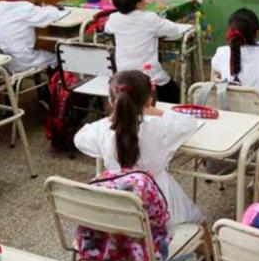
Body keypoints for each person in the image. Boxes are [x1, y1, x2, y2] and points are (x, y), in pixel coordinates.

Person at [74, 70, 205, 228]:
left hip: (118, 206)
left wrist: (114, 117)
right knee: (198, 221)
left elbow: (79, 139)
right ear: (149, 101)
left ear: (110, 102)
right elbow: (189, 123)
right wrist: (154, 110)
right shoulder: (159, 127)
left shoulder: (101, 131)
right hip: (160, 204)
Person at [104, 0, 187, 103]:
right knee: (173, 91)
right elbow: (174, 30)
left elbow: (107, 28)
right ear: (138, 4)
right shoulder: (150, 18)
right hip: (148, 74)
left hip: (123, 75)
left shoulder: (114, 18)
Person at [0, 0, 64, 73]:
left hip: (3, 60)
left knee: (39, 53)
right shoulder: (26, 8)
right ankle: (51, 86)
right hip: (21, 60)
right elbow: (53, 14)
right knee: (57, 58)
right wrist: (49, 7)